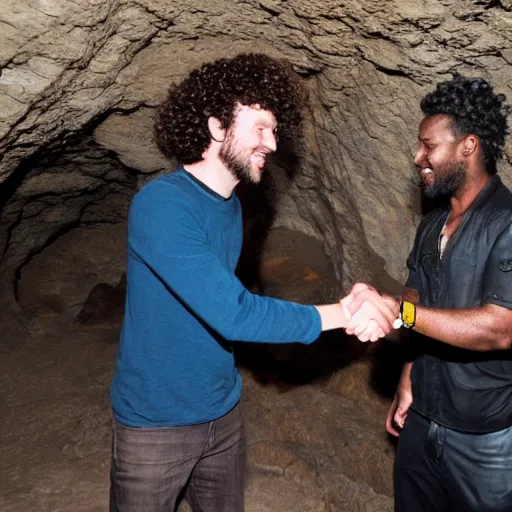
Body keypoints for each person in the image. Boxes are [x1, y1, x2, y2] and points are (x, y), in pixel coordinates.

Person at [109, 52, 395, 512]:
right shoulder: (162, 205)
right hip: (155, 424)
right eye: (260, 127)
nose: (273, 143)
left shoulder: (231, 206)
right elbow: (233, 312)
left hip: (221, 412)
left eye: (275, 130)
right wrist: (347, 312)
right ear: (217, 127)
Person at [347, 74, 512, 511]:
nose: (417, 156)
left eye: (428, 145)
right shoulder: (432, 223)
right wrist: (407, 379)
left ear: (468, 146)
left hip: (485, 440)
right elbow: (416, 300)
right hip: (422, 418)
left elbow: (500, 328)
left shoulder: (507, 223)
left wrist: (400, 311)